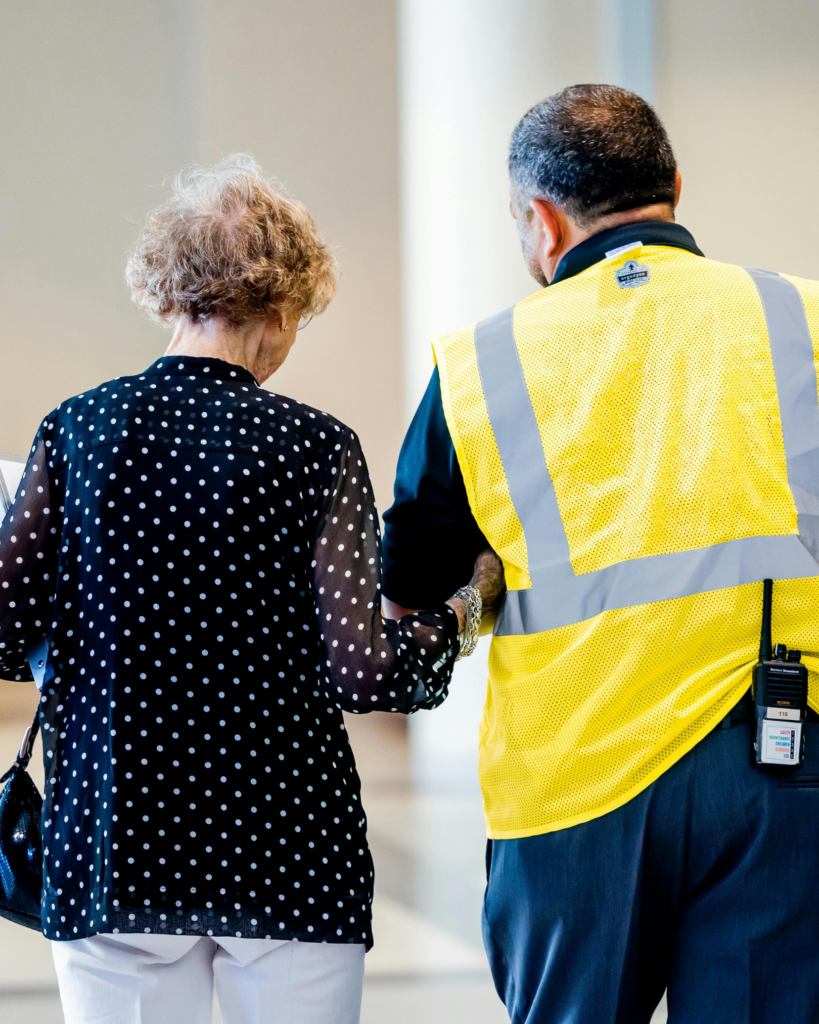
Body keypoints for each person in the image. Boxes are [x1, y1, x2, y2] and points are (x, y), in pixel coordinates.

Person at [0, 154, 504, 1024]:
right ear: (281, 310)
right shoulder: (315, 447)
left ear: (169, 292)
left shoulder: (78, 429)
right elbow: (364, 672)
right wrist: (464, 612)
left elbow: (6, 635)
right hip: (287, 853)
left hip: (113, 842)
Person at [382, 84, 819, 1023]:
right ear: (674, 185)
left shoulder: (481, 364)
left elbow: (409, 582)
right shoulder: (802, 315)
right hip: (779, 756)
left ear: (541, 221)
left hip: (574, 778)